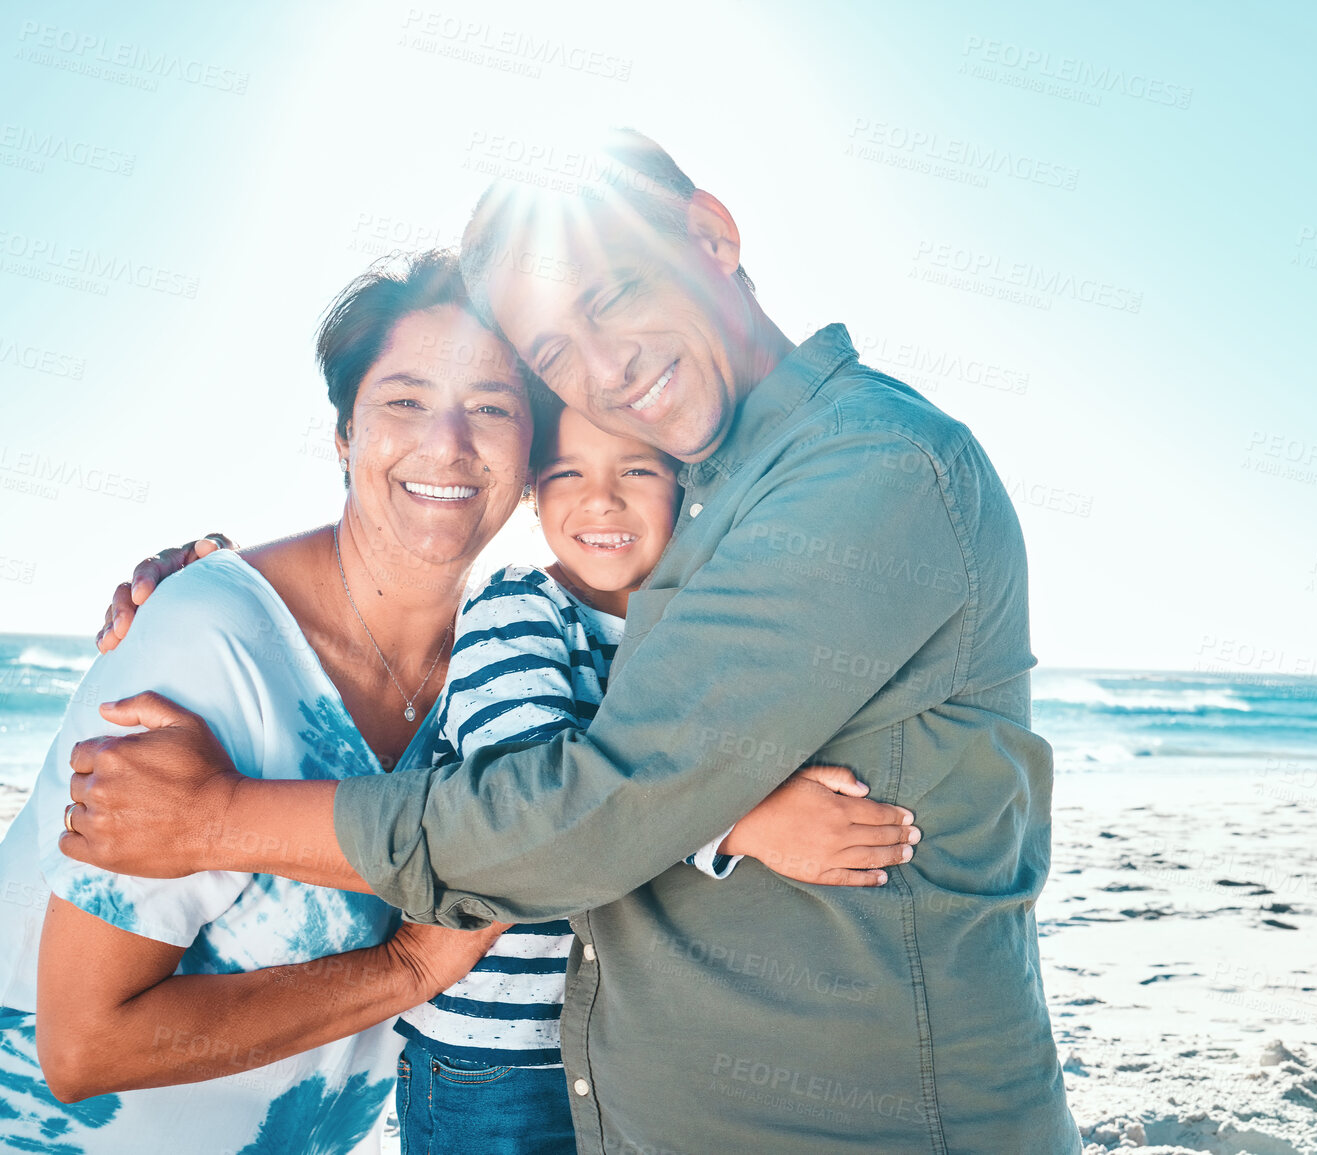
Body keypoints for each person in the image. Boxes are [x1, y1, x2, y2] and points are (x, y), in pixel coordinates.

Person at [71, 129, 1079, 1152]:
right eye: (553, 352)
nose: (604, 370)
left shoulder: (867, 467)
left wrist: (221, 819)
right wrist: (250, 586)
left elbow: (586, 815)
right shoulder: (715, 492)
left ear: (712, 234)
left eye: (615, 295)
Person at [0, 249, 906, 1152]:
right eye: (403, 400)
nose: (447, 443)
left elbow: (587, 797)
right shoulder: (198, 643)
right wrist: (410, 965)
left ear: (528, 452)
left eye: (489, 407)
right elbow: (83, 1046)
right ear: (344, 434)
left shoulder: (494, 649)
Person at [397, 400, 908, 1153]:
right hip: (498, 1056)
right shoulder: (517, 604)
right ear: (534, 494)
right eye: (566, 472)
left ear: (687, 489)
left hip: (639, 1043)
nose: (601, 498)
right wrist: (745, 823)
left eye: (637, 469)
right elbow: (535, 804)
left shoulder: (703, 625)